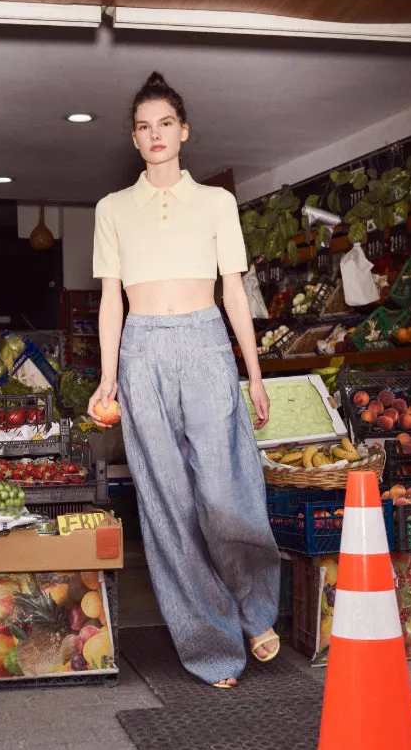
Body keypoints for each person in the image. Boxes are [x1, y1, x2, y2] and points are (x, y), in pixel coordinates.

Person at [88, 72, 281, 688]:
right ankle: (212, 647)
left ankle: (255, 610)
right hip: (142, 350)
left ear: (183, 130)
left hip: (204, 344)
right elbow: (111, 301)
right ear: (135, 139)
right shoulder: (112, 209)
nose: (155, 135)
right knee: (168, 506)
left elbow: (233, 292)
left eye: (165, 123)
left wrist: (253, 373)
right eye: (144, 127)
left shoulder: (217, 203)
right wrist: (107, 377)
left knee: (228, 495)